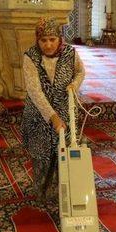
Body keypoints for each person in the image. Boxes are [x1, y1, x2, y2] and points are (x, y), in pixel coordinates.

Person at [21, 17, 85, 201]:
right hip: (39, 114)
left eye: (52, 39)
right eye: (43, 40)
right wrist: (53, 117)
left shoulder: (70, 53)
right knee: (42, 154)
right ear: (37, 40)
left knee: (64, 151)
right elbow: (34, 91)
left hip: (66, 110)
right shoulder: (30, 56)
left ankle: (64, 191)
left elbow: (81, 71)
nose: (48, 45)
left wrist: (74, 84)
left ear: (60, 38)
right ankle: (43, 192)